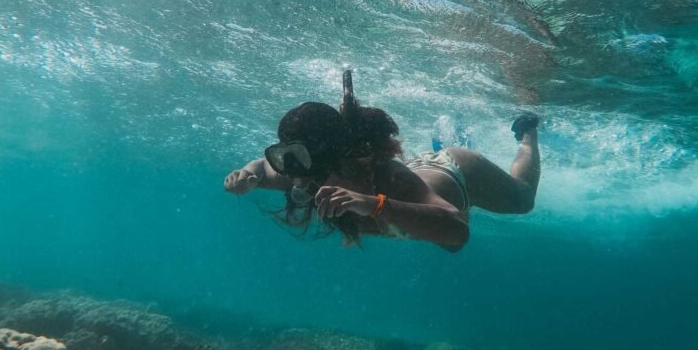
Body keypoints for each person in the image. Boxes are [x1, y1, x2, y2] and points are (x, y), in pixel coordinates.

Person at [223, 73, 540, 251]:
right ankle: (452, 136)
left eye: (299, 164)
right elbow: (263, 168)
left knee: (523, 198)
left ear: (336, 158)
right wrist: (248, 175)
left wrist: (374, 205)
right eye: (285, 161)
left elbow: (458, 231)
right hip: (420, 175)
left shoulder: (386, 177)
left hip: (457, 171)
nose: (295, 183)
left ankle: (527, 129)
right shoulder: (305, 173)